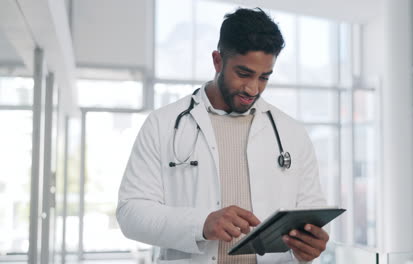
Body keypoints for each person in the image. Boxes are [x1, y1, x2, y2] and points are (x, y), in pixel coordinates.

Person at [117, 7, 328, 264]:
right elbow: (131, 213)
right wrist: (201, 223)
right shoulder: (162, 124)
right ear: (218, 61)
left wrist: (311, 244)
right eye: (243, 74)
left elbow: (311, 215)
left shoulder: (291, 133)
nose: (253, 88)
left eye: (264, 77)